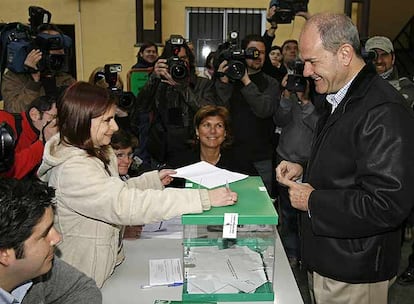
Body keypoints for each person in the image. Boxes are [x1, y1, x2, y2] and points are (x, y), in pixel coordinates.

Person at [37, 81, 237, 287]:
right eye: (107, 120)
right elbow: (123, 204)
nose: (114, 127)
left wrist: (151, 181)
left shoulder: (93, 152)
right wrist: (204, 198)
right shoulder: (74, 169)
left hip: (103, 266)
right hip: (84, 280)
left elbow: (110, 192)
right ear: (84, 120)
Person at [275, 13, 414, 304]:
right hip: (330, 260)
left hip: (354, 271)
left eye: (313, 61)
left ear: (345, 54)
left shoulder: (382, 109)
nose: (308, 71)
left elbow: (388, 204)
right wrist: (305, 170)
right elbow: (348, 166)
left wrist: (313, 201)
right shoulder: (338, 96)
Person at [0, 177, 101, 304]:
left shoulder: (40, 266)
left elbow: (83, 288)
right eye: (44, 234)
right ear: (4, 254)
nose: (57, 238)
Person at [132, 36, 217, 169]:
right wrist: (154, 78)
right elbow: (141, 107)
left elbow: (208, 112)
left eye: (183, 59)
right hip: (161, 151)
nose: (179, 63)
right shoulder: (158, 83)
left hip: (193, 150)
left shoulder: (203, 84)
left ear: (190, 60)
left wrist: (183, 88)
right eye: (173, 59)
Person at [215, 34, 280, 195]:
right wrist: (222, 83)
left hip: (260, 156)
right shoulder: (229, 80)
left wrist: (245, 79)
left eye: (262, 52)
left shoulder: (271, 83)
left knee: (263, 208)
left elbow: (264, 110)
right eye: (253, 51)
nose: (257, 56)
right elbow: (219, 113)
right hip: (231, 154)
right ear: (243, 53)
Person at [1, 24, 75, 113]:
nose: (57, 52)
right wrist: (33, 82)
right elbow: (15, 111)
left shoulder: (66, 80)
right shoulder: (13, 77)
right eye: (52, 47)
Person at [0, 95, 58, 179]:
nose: (58, 124)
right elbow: (7, 172)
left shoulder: (40, 134)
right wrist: (41, 143)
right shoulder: (5, 122)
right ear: (34, 114)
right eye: (54, 117)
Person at [110, 129, 144, 239]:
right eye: (119, 155)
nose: (127, 161)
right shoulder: (100, 182)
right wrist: (123, 232)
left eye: (129, 155)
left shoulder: (124, 177)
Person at [365, 35, 414, 109]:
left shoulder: (405, 86)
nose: (379, 60)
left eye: (384, 55)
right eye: (373, 56)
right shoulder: (357, 84)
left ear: (393, 58)